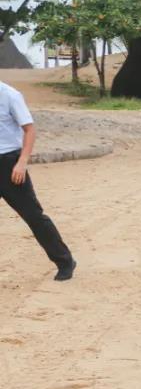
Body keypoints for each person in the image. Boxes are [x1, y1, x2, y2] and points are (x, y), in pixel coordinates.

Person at [1, 79, 76, 280]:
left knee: (33, 216)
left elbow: (30, 130)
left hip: (10, 165)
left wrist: (22, 162)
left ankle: (65, 261)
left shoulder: (10, 95)